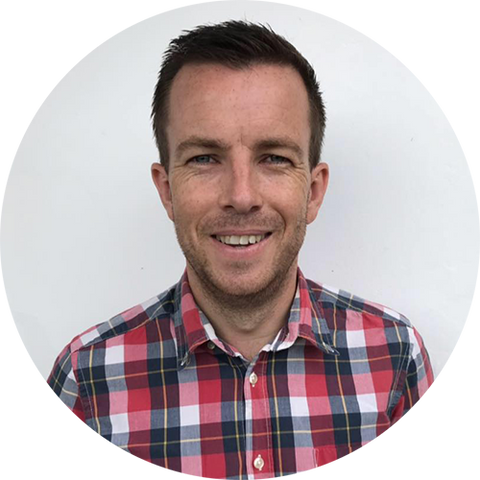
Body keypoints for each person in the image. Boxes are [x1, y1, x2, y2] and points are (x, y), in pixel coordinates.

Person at [47, 20, 434, 479]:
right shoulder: (86, 380)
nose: (242, 195)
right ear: (167, 190)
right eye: (204, 158)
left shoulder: (395, 358)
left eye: (274, 158)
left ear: (313, 191)